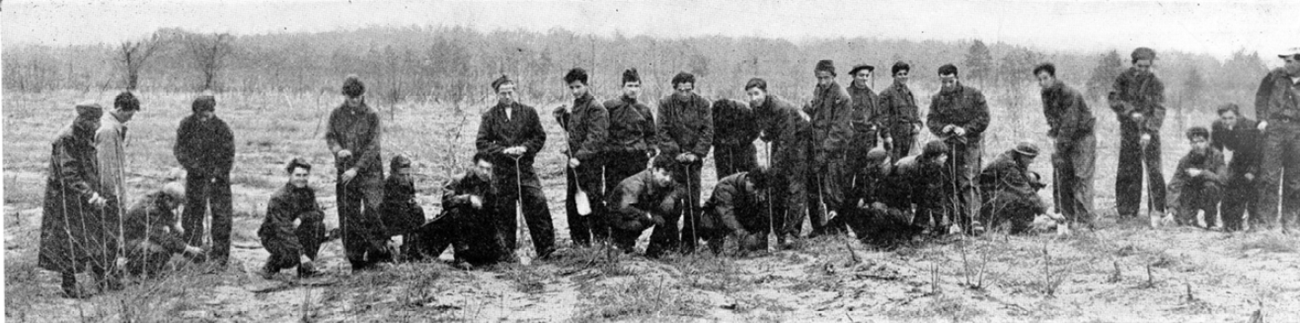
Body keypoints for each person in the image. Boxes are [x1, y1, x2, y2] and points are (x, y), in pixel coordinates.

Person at [38, 103, 121, 298]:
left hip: (85, 196)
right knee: (69, 241)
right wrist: (90, 194)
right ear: (83, 119)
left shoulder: (85, 133)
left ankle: (103, 280)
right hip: (65, 199)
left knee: (96, 235)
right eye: (94, 120)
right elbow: (69, 173)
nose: (98, 124)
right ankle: (69, 286)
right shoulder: (67, 138)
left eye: (98, 120)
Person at [476, 74, 556, 258]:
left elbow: (539, 136)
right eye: (503, 93)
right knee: (503, 212)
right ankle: (505, 253)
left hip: (524, 168)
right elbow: (481, 142)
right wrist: (503, 151)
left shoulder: (528, 112)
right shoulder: (489, 116)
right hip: (502, 171)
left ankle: (546, 249)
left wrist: (525, 148)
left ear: (515, 91)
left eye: (510, 92)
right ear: (497, 94)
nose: (507, 96)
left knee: (537, 203)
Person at [326, 75, 391, 271]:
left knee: (374, 211)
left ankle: (377, 255)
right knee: (348, 215)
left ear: (363, 95)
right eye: (350, 96)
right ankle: (355, 260)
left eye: (357, 96)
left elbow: (374, 146)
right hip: (345, 171)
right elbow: (330, 136)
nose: (354, 100)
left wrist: (357, 168)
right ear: (344, 95)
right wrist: (338, 150)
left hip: (370, 172)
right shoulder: (336, 114)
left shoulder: (372, 115)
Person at [412, 152, 510, 267]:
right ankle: (460, 257)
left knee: (491, 258)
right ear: (474, 166)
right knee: (455, 212)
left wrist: (502, 248)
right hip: (452, 226)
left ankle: (478, 255)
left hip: (477, 230)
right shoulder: (459, 180)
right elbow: (447, 202)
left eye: (488, 169)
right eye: (481, 168)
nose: (484, 172)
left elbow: (496, 217)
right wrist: (467, 199)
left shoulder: (492, 187)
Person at [927, 64, 990, 234]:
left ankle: (973, 220)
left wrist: (966, 129)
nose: (947, 85)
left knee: (969, 180)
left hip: (969, 144)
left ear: (957, 78)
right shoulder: (937, 98)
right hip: (947, 146)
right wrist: (942, 128)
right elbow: (931, 120)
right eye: (943, 82)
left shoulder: (973, 94)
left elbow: (984, 118)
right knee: (948, 182)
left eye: (950, 81)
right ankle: (952, 219)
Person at [749, 78, 811, 248]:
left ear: (765, 92)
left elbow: (787, 141)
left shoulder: (780, 107)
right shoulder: (756, 107)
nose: (753, 98)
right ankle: (777, 230)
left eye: (757, 93)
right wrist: (767, 134)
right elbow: (769, 129)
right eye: (750, 94)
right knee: (777, 184)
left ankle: (792, 232)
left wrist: (775, 167)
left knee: (795, 185)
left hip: (800, 139)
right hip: (782, 138)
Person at [174, 94, 236, 266]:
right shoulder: (186, 125)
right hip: (196, 177)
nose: (203, 118)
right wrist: (194, 168)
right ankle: (194, 253)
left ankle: (220, 256)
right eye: (200, 114)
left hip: (219, 178)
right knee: (192, 214)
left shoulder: (222, 128)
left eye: (207, 114)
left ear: (213, 111)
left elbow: (228, 155)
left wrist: (217, 174)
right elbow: (179, 150)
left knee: (222, 216)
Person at [656, 71, 713, 253]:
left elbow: (707, 132)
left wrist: (696, 154)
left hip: (693, 162)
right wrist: (676, 153)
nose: (684, 94)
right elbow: (661, 132)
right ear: (674, 89)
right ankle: (669, 242)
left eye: (688, 90)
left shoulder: (703, 104)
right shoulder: (665, 104)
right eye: (680, 90)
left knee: (692, 203)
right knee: (670, 202)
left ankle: (690, 243)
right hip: (671, 161)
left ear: (692, 89)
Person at [1109, 47, 1168, 223]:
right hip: (1129, 130)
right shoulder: (1123, 78)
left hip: (1150, 132)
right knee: (1128, 169)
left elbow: (1160, 108)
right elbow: (1114, 98)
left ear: (1151, 65)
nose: (1143, 69)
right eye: (1139, 66)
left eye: (1146, 66)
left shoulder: (1156, 83)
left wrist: (1149, 131)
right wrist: (1129, 112)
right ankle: (1127, 211)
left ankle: (1157, 210)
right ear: (1133, 64)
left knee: (1154, 171)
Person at [1035, 63, 1097, 230]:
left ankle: (1085, 221)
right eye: (1039, 80)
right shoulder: (1045, 94)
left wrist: (1059, 146)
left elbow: (1070, 122)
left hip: (1082, 137)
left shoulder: (1069, 93)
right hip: (1063, 138)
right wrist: (1053, 137)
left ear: (1053, 77)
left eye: (1045, 78)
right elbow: (1052, 118)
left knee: (1081, 177)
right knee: (1061, 177)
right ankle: (1064, 218)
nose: (1042, 82)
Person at [555, 67, 609, 247]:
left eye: (578, 87)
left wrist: (579, 156)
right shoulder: (578, 105)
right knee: (574, 202)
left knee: (593, 201)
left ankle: (602, 242)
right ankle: (580, 243)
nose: (575, 91)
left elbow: (597, 138)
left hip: (590, 164)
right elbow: (576, 130)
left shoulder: (595, 108)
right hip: (575, 163)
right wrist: (562, 117)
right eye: (571, 88)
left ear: (586, 84)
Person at [805, 59, 854, 237]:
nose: (822, 81)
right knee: (816, 187)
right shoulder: (819, 90)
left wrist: (823, 154)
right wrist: (808, 109)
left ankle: (838, 229)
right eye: (819, 78)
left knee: (833, 189)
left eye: (826, 77)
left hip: (834, 150)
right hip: (817, 146)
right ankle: (820, 227)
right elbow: (817, 114)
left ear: (833, 76)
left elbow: (838, 130)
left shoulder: (842, 97)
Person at [1254, 47, 1300, 233]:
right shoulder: (1275, 76)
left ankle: (1291, 224)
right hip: (1274, 130)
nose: (1285, 65)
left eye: (1289, 61)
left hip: (1297, 132)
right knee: (1269, 177)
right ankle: (1266, 224)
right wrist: (1262, 119)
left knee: (1295, 180)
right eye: (1285, 61)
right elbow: (1261, 96)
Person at [259, 158, 326, 278]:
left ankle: (305, 271)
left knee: (318, 226)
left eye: (305, 175)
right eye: (298, 175)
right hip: (275, 236)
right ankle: (270, 266)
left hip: (295, 231)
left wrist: (301, 217)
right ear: (290, 175)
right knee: (291, 257)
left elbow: (319, 214)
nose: (301, 179)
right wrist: (301, 254)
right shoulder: (279, 198)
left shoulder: (308, 192)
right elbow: (283, 230)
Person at [122, 182, 207, 278]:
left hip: (140, 237)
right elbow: (162, 237)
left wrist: (185, 235)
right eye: (176, 204)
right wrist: (187, 248)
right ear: (167, 199)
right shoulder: (150, 209)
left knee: (172, 240)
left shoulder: (159, 200)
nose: (176, 207)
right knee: (161, 249)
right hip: (130, 242)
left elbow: (170, 223)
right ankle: (139, 270)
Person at [843, 148, 922, 248]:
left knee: (880, 212)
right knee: (849, 207)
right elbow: (857, 193)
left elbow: (900, 203)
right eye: (873, 167)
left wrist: (881, 205)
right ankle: (867, 237)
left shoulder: (898, 177)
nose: (876, 170)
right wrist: (862, 199)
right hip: (876, 210)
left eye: (879, 167)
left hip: (897, 213)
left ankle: (886, 241)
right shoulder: (867, 175)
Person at [606, 155, 683, 256]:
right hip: (621, 218)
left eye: (670, 176)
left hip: (643, 212)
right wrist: (650, 216)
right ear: (654, 170)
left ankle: (656, 248)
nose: (668, 179)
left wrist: (671, 198)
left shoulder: (662, 180)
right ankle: (620, 243)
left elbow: (680, 187)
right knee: (637, 223)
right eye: (664, 174)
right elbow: (625, 209)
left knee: (676, 205)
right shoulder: (636, 184)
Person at [604, 68, 658, 203]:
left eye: (636, 86)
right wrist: (607, 151)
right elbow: (601, 131)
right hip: (616, 159)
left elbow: (651, 135)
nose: (633, 90)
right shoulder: (610, 107)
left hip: (637, 159)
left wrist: (650, 151)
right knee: (614, 195)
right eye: (629, 86)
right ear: (622, 87)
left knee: (637, 195)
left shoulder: (644, 110)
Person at [978, 142, 1049, 234]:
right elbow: (1024, 190)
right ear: (1021, 155)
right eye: (1030, 157)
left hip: (995, 197)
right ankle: (1019, 225)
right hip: (989, 201)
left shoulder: (1015, 159)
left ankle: (1021, 224)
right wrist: (1048, 211)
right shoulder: (1006, 163)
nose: (1032, 161)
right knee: (1019, 195)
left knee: (1032, 180)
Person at [1211, 104, 1262, 232]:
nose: (1227, 121)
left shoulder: (1249, 127)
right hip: (1238, 159)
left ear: (1237, 117)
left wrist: (1252, 171)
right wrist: (1218, 167)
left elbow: (1258, 152)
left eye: (1231, 118)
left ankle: (1253, 221)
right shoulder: (1217, 126)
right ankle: (1230, 223)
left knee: (1252, 189)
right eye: (1224, 118)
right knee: (1230, 187)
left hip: (1255, 160)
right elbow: (1216, 149)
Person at [701, 166, 772, 255]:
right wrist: (745, 237)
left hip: (739, 216)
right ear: (747, 179)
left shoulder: (751, 186)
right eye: (754, 188)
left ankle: (746, 247)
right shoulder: (724, 187)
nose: (756, 192)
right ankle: (717, 246)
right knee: (719, 219)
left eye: (759, 189)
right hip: (720, 218)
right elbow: (727, 215)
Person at [1166, 127, 1227, 228]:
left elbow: (1223, 179)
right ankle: (1191, 217)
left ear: (1207, 142)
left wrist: (1202, 173)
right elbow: (1175, 185)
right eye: (1194, 142)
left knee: (1210, 186)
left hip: (1210, 194)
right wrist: (1171, 209)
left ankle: (1210, 220)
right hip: (1192, 196)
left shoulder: (1216, 156)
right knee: (1184, 222)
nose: (1198, 145)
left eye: (1201, 141)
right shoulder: (1185, 161)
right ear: (1190, 144)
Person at [895, 140, 951, 233]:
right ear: (933, 158)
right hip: (898, 193)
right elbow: (901, 193)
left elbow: (938, 195)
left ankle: (921, 226)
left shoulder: (936, 167)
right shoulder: (908, 167)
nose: (946, 158)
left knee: (929, 191)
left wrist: (939, 221)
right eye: (942, 155)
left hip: (914, 191)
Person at [379, 155, 425, 260]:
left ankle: (413, 249)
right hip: (389, 215)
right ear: (393, 173)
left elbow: (412, 194)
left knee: (418, 211)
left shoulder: (409, 180)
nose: (405, 178)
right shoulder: (387, 183)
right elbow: (383, 203)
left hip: (405, 211)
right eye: (401, 174)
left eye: (407, 174)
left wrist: (412, 200)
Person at [97, 91, 139, 205]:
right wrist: (111, 197)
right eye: (128, 115)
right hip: (108, 195)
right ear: (119, 110)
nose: (130, 119)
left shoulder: (113, 126)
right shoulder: (108, 131)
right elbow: (106, 167)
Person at [879, 62, 922, 161]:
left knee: (908, 163)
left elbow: (915, 114)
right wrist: (887, 136)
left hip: (909, 137)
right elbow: (883, 118)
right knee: (894, 164)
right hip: (894, 137)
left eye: (905, 74)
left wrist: (918, 126)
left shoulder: (909, 94)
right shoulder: (886, 94)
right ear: (894, 76)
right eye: (900, 74)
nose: (903, 77)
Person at [712, 98, 759, 178]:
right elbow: (708, 132)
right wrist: (720, 142)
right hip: (723, 151)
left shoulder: (744, 110)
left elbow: (755, 129)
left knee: (752, 178)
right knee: (725, 180)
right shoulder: (712, 114)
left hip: (745, 149)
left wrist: (742, 140)